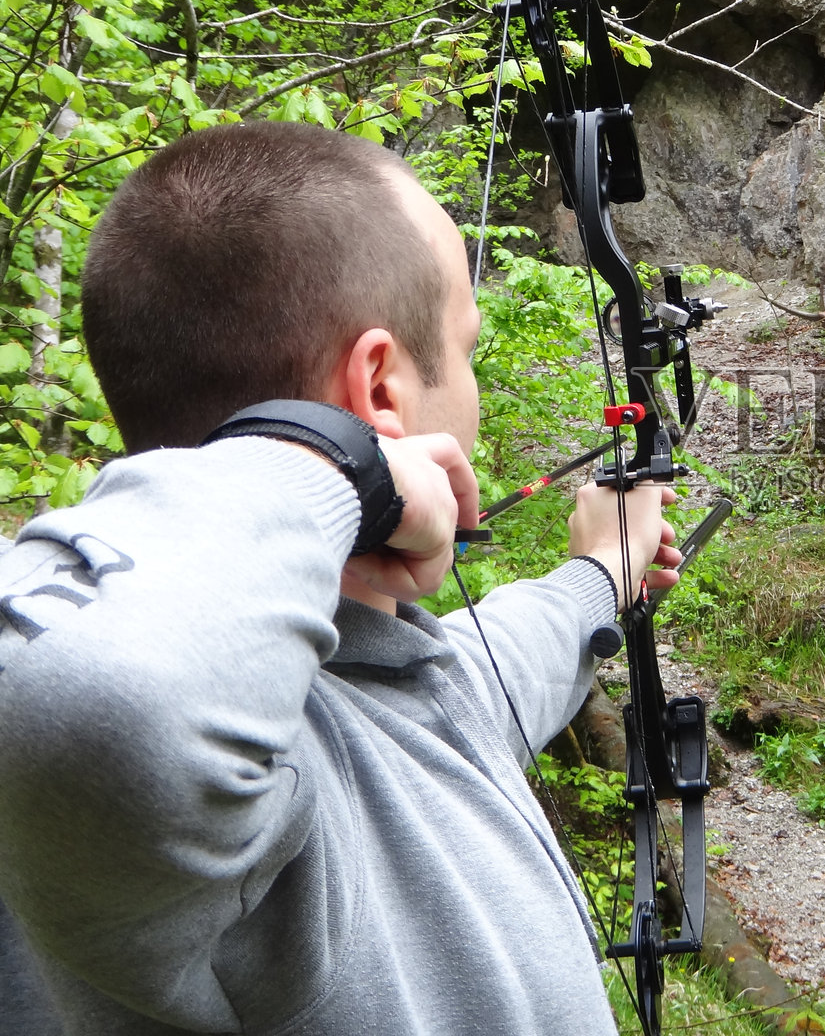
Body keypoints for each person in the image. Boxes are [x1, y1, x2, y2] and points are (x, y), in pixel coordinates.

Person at [0, 121, 678, 1034]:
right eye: (466, 345)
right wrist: (344, 465)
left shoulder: (382, 683)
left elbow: (480, 671)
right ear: (383, 392)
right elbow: (90, 700)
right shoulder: (229, 801)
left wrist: (603, 570)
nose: (470, 383)